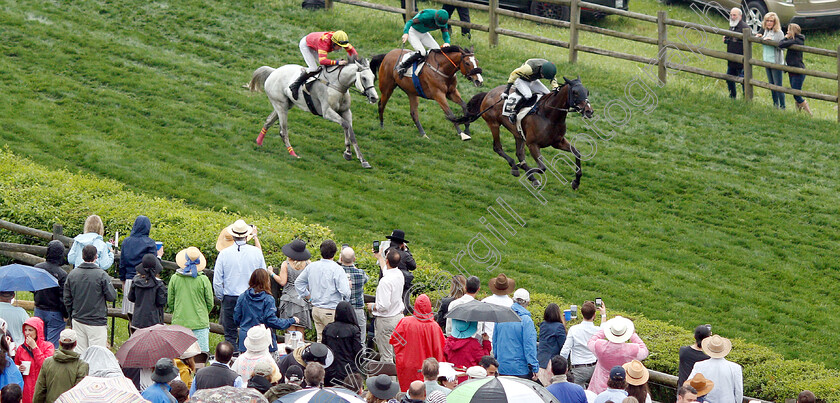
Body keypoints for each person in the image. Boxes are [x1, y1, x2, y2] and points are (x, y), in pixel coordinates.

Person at [214, 219, 266, 347]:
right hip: (250, 296)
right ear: (246, 235)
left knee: (230, 333)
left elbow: (217, 280)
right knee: (250, 332)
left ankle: (230, 359)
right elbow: (263, 275)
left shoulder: (224, 254)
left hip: (230, 296)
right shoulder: (256, 252)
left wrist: (222, 296)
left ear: (232, 235)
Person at [63, 245, 117, 354]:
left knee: (80, 354)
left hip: (78, 318)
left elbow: (67, 298)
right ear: (96, 256)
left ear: (82, 256)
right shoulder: (102, 275)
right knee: (97, 355)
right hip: (97, 321)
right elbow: (112, 297)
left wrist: (71, 314)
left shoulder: (72, 274)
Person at [295, 239, 350, 343]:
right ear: (334, 253)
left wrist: (308, 296)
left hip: (316, 308)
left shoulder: (311, 267)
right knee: (334, 341)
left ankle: (320, 358)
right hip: (331, 309)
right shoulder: (337, 269)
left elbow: (298, 283)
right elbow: (345, 291)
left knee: (320, 339)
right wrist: (346, 301)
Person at [234, 269, 299, 353]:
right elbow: (272, 321)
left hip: (246, 340)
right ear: (266, 281)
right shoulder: (268, 299)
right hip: (263, 342)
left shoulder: (242, 297)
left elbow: (236, 318)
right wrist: (291, 320)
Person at [390, 294, 445, 391]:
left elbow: (394, 340)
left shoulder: (405, 322)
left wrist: (405, 351)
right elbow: (440, 350)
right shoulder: (435, 327)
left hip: (408, 365)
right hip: (428, 369)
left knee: (408, 393)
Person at [168, 247, 214, 352]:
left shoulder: (175, 278)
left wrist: (177, 310)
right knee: (201, 355)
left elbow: (170, 301)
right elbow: (210, 302)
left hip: (180, 321)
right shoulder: (203, 279)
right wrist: (203, 312)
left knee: (180, 354)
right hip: (200, 322)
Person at [289, 31, 359, 99]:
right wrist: (338, 62)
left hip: (315, 43)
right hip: (307, 45)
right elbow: (322, 61)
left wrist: (357, 61)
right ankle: (295, 85)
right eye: (340, 46)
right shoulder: (325, 42)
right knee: (314, 68)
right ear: (334, 43)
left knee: (325, 67)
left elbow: (353, 52)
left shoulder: (340, 39)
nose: (341, 48)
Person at [587, 316, 648, 394]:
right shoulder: (631, 349)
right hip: (622, 388)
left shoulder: (600, 346)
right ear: (625, 333)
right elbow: (644, 351)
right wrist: (633, 335)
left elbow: (590, 341)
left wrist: (604, 331)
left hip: (598, 388)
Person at [493, 288, 538, 380]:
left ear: (513, 300)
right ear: (527, 302)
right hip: (520, 369)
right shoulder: (526, 320)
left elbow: (495, 342)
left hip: (502, 367)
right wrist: (534, 366)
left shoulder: (501, 317)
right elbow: (529, 346)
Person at [119, 215, 160, 318]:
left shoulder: (126, 242)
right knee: (142, 315)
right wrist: (159, 256)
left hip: (129, 279)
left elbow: (122, 263)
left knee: (131, 316)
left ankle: (131, 334)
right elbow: (153, 263)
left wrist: (123, 280)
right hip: (144, 281)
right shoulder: (150, 243)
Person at [32, 329, 88, 403]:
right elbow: (80, 392)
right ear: (75, 343)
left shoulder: (47, 362)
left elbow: (39, 391)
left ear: (60, 343)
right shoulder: (82, 365)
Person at [368, 250, 404, 363]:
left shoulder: (385, 282)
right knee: (397, 354)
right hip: (398, 318)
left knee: (386, 356)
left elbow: (384, 306)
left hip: (386, 321)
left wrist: (372, 306)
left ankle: (389, 381)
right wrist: (379, 257)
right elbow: (386, 270)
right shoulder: (399, 274)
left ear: (387, 260)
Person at [560, 301, 606, 388]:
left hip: (578, 369)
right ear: (594, 315)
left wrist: (563, 368)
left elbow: (565, 351)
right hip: (594, 368)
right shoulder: (597, 330)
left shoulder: (574, 329)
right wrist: (603, 315)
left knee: (576, 396)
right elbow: (604, 330)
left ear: (581, 314)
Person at [33, 240, 69, 348]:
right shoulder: (62, 274)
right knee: (51, 346)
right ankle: (48, 364)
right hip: (55, 312)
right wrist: (66, 314)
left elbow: (32, 287)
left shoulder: (37, 268)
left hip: (39, 309)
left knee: (38, 342)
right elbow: (63, 297)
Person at [272, 239, 312, 335]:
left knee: (290, 333)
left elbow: (282, 281)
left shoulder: (286, 264)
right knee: (300, 333)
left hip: (288, 299)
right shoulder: (308, 264)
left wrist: (271, 273)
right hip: (302, 299)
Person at [501, 59, 559, 123]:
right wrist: (506, 91)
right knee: (528, 95)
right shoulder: (528, 69)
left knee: (547, 94)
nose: (543, 77)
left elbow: (553, 79)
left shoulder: (548, 69)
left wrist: (555, 87)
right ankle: (514, 112)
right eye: (543, 76)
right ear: (541, 70)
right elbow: (514, 74)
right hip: (520, 80)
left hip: (532, 80)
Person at [687, 335, 742, 403]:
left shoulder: (699, 366)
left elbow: (688, 385)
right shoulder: (735, 368)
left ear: (708, 349)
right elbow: (738, 392)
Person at [398, 10, 451, 77]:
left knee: (437, 50)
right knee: (422, 52)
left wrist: (447, 42)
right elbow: (410, 22)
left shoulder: (443, 21)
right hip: (412, 32)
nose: (438, 25)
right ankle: (402, 65)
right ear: (435, 18)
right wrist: (406, 33)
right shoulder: (426, 16)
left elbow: (445, 33)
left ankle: (430, 68)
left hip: (424, 33)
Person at [14, 318, 54, 403]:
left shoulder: (48, 347)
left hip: (42, 387)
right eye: (25, 330)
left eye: (30, 330)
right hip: (26, 389)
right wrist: (19, 368)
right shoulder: (21, 348)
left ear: (38, 331)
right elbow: (15, 365)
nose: (27, 333)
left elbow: (45, 365)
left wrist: (34, 348)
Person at [323, 301, 363, 386]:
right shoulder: (354, 330)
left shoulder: (328, 328)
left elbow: (324, 349)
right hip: (348, 372)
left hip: (330, 371)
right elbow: (358, 351)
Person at [127, 254, 166, 330]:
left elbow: (131, 298)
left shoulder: (136, 281)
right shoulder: (159, 284)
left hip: (138, 319)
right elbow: (161, 302)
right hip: (153, 321)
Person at [339, 247, 369, 345]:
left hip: (341, 309)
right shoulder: (361, 273)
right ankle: (360, 358)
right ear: (354, 259)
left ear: (341, 259)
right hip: (357, 309)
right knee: (360, 339)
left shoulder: (338, 272)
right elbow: (366, 279)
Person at [779, 23, 810, 115]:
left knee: (796, 93)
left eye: (789, 30)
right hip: (792, 70)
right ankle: (798, 113)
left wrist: (786, 38)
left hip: (798, 71)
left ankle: (809, 113)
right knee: (795, 92)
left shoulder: (797, 41)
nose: (787, 32)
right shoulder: (794, 40)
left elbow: (781, 44)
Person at [477, 274, 514, 350]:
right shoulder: (512, 304)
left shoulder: (485, 302)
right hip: (505, 345)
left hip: (487, 343)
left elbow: (479, 325)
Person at [758, 12, 785, 109]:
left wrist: (772, 42)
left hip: (776, 62)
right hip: (767, 61)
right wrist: (760, 38)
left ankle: (782, 106)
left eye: (771, 21)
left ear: (775, 22)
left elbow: (782, 47)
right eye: (767, 21)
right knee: (771, 85)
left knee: (778, 86)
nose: (769, 23)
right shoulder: (765, 31)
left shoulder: (779, 33)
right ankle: (775, 105)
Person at [537, 303, 567, 386]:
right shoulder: (559, 327)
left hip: (540, 361)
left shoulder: (543, 325)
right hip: (551, 364)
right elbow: (564, 344)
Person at [723, 8, 749, 99]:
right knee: (729, 78)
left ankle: (746, 99)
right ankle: (732, 96)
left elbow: (749, 43)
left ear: (740, 16)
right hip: (731, 60)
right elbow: (730, 39)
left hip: (741, 61)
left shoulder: (745, 27)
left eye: (734, 15)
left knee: (743, 81)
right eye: (731, 15)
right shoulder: (732, 25)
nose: (732, 17)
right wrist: (725, 39)